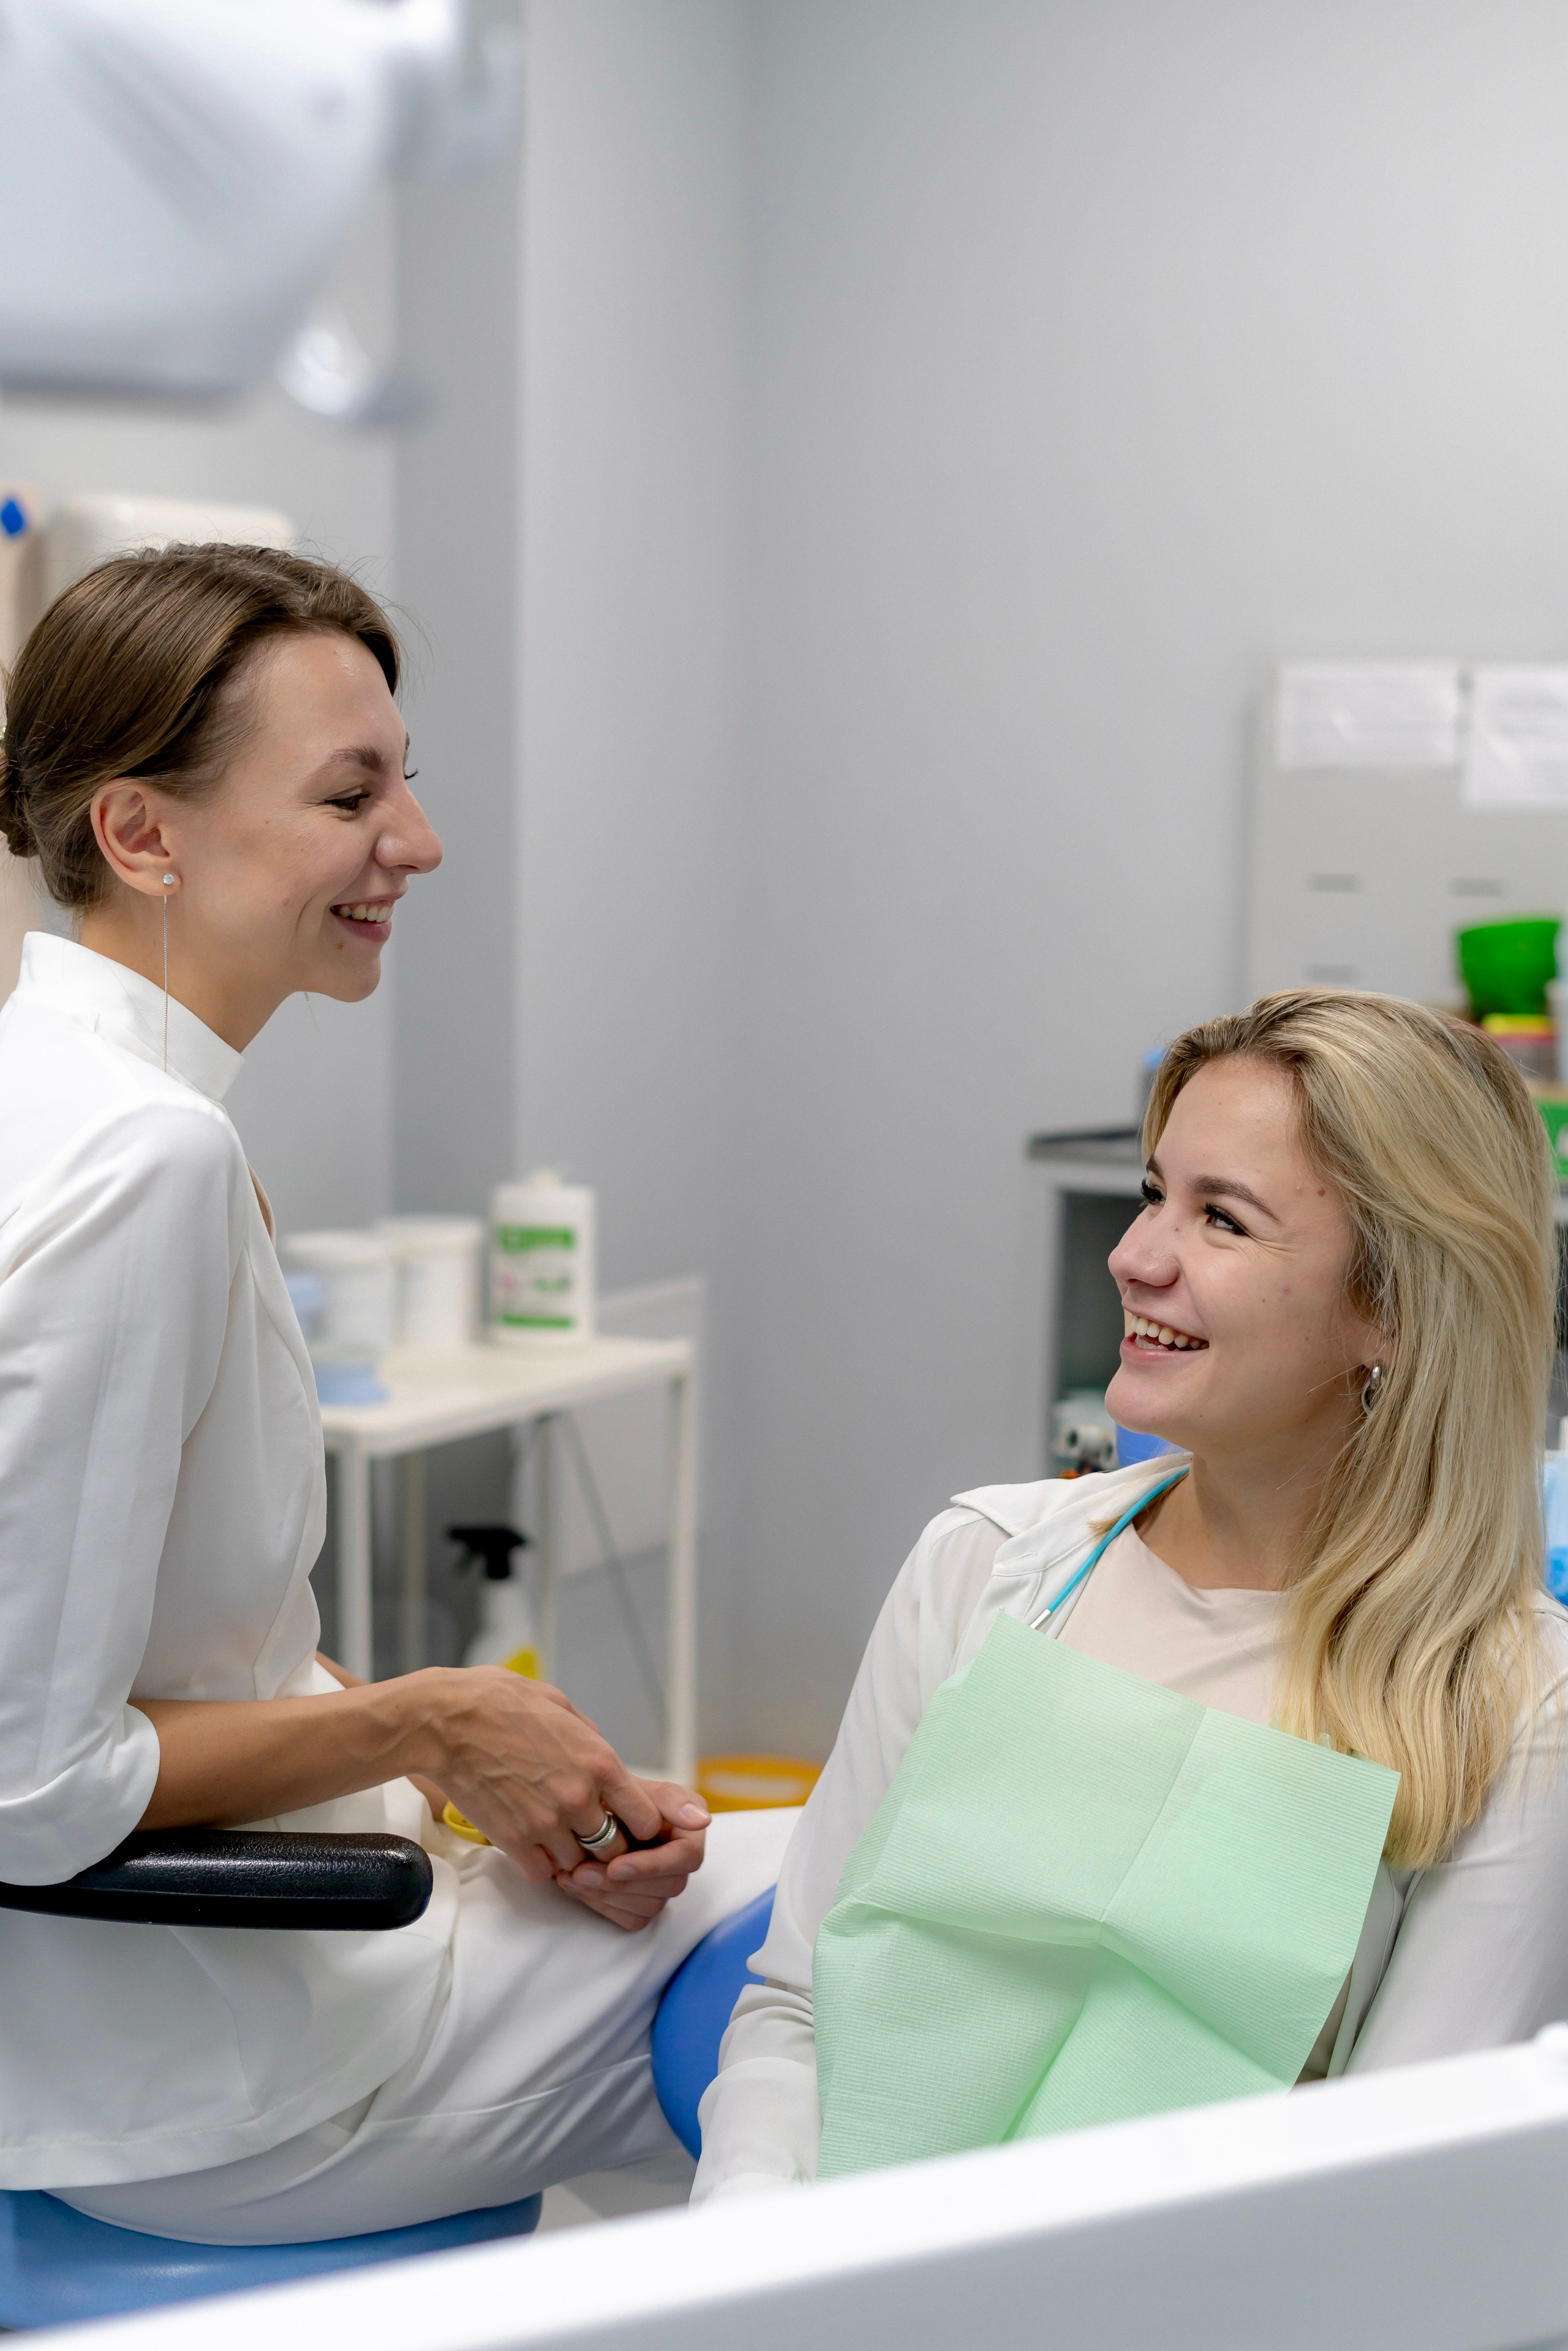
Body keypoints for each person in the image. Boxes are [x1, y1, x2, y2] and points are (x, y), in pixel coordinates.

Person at [0, 544, 792, 2241]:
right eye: (352, 794)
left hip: (165, 2007)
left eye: (406, 784)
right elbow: (27, 1777)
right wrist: (430, 1720)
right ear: (143, 834)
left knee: (784, 1882)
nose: (416, 844)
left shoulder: (50, 1095)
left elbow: (154, 1633)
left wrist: (487, 1778)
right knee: (857, 1911)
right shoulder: (144, 1155)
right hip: (215, 2074)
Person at [693, 991, 1568, 2198]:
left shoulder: (1508, 1706)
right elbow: (794, 2008)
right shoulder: (988, 1564)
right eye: (1155, 1190)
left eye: (1220, 1217)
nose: (1133, 1252)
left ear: (1390, 1305)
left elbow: (1385, 2190)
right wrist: (745, 2263)